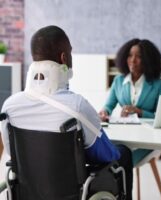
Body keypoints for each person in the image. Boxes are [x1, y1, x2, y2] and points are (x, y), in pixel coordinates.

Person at [0, 26, 133, 199]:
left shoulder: (10, 108)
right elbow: (106, 155)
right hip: (73, 193)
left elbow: (14, 154)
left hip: (28, 192)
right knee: (122, 153)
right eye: (70, 53)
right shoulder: (77, 107)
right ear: (64, 57)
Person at [99, 38, 161, 165]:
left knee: (122, 160)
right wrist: (103, 112)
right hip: (125, 132)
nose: (132, 60)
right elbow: (109, 105)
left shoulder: (157, 84)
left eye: (138, 56)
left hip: (148, 138)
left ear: (147, 60)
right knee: (110, 150)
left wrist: (140, 112)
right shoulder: (118, 81)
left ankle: (121, 176)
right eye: (129, 55)